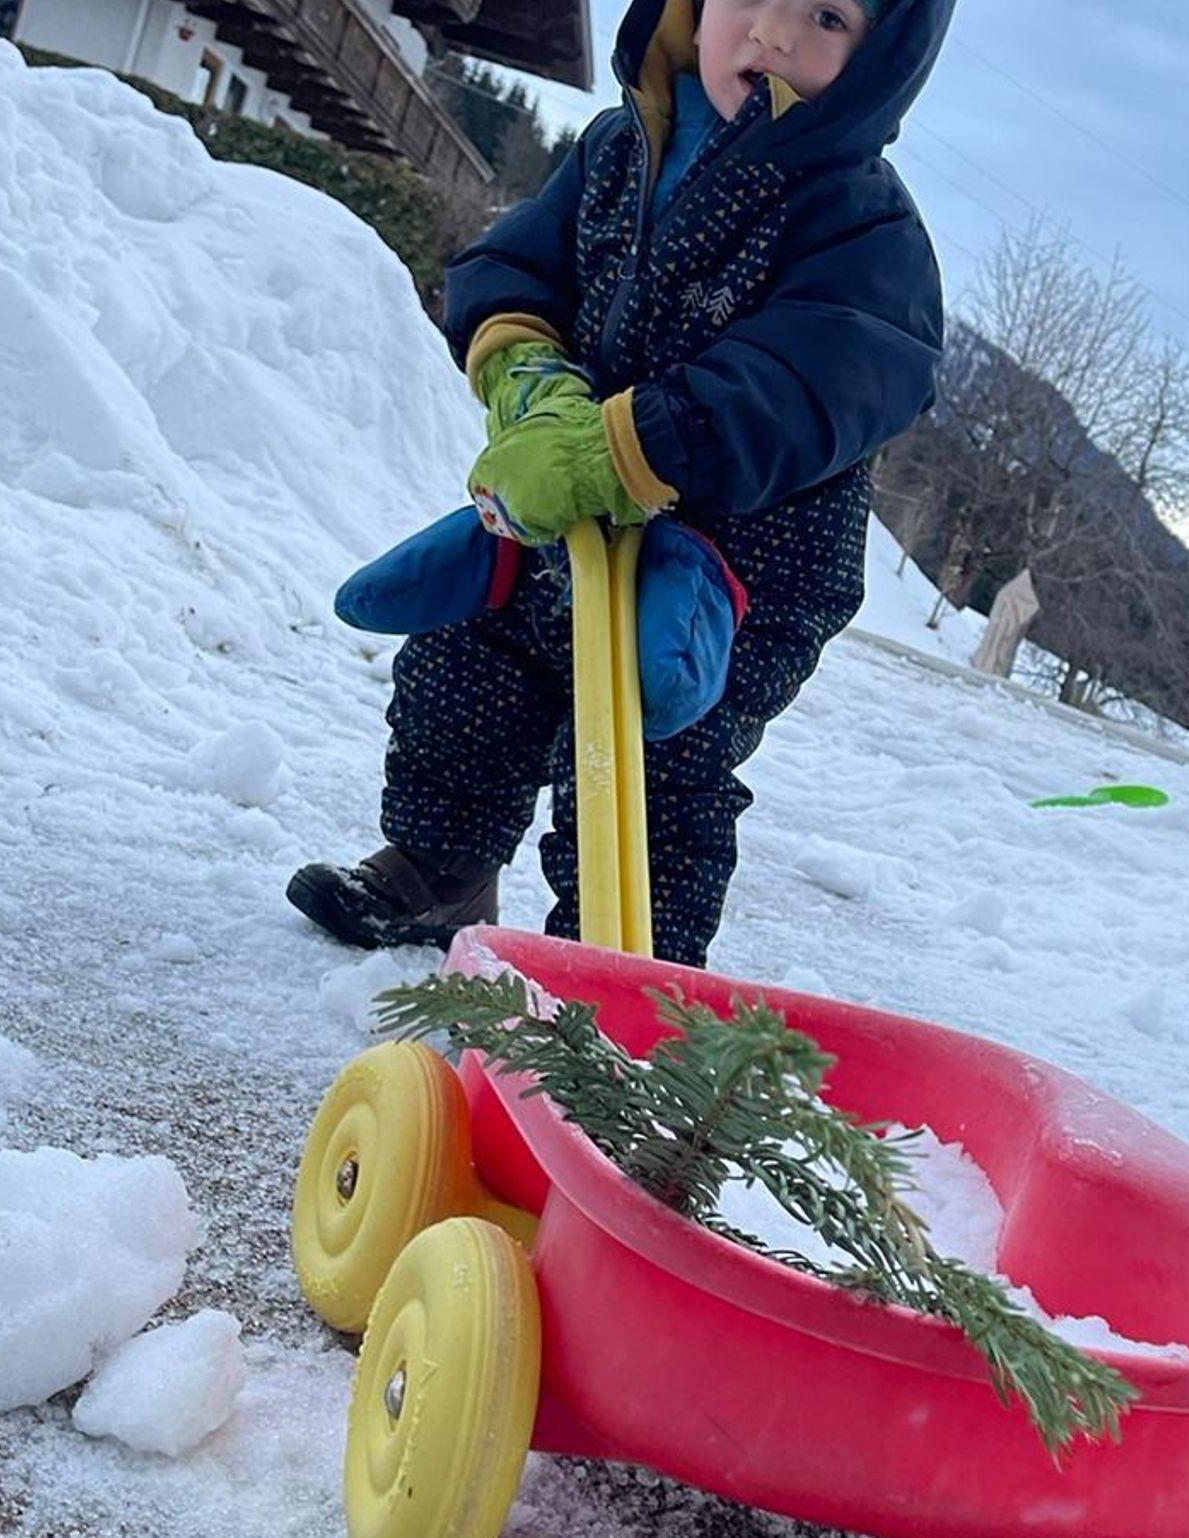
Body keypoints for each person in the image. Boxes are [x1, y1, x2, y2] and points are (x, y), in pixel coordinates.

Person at [288, 0, 952, 966]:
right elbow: (515, 263)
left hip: (740, 567)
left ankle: (624, 969)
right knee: (465, 667)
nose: (773, 33)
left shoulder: (861, 223)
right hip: (567, 520)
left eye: (827, 15)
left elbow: (820, 378)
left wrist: (635, 444)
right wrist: (528, 374)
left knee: (649, 750)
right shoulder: (618, 148)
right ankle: (441, 871)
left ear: (883, 58)